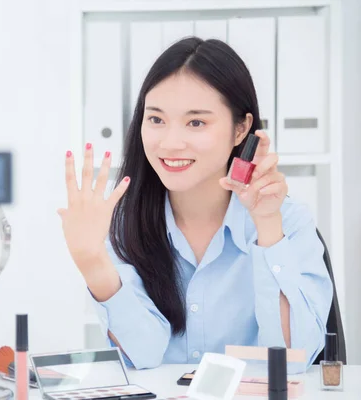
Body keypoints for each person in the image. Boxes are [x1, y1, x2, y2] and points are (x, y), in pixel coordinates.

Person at [57, 37, 333, 372]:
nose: (171, 143)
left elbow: (291, 358)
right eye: (156, 119)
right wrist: (92, 263)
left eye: (196, 122)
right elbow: (143, 355)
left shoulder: (287, 221)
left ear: (240, 128)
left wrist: (267, 226)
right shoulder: (123, 223)